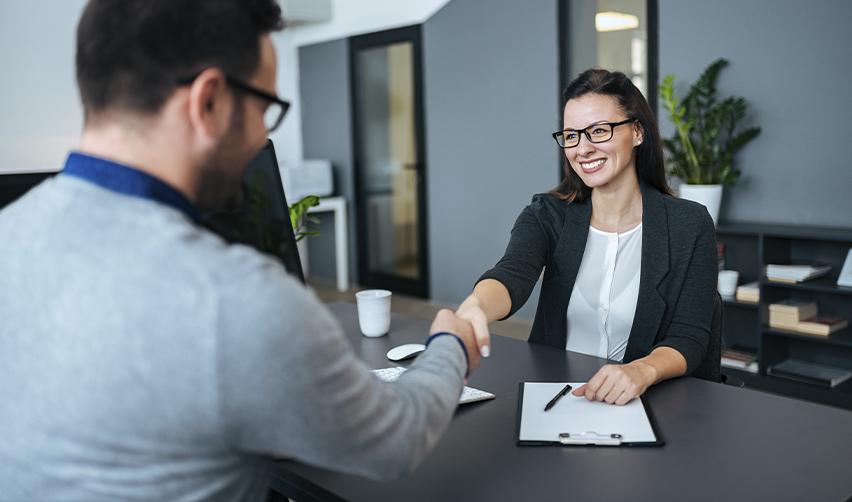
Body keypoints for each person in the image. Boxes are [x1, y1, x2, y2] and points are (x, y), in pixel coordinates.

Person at [0, 1, 487, 499]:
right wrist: (449, 345)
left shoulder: (8, 235)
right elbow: (396, 441)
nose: (263, 134)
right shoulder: (231, 297)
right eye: (262, 108)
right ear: (208, 101)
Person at [456, 69, 718, 406]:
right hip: (557, 397)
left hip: (647, 400)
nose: (583, 148)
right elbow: (512, 274)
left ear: (637, 131)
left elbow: (690, 335)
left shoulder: (689, 223)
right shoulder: (547, 213)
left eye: (598, 131)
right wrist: (475, 307)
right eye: (571, 136)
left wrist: (641, 370)